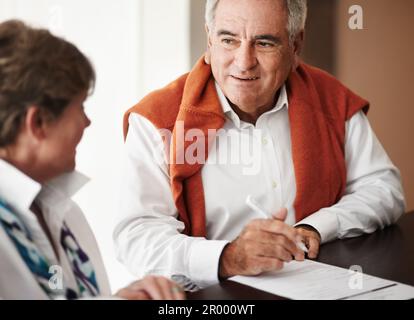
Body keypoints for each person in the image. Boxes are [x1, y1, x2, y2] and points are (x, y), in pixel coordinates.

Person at [114, 0, 405, 290]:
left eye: (264, 43)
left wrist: (316, 227)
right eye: (228, 40)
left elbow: (383, 188)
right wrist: (228, 257)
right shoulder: (156, 120)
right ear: (209, 40)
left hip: (323, 286)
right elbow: (136, 236)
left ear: (295, 45)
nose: (244, 61)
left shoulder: (330, 98)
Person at [0, 20, 184, 300]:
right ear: (38, 122)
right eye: (80, 107)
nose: (87, 122)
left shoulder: (62, 212)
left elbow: (57, 290)